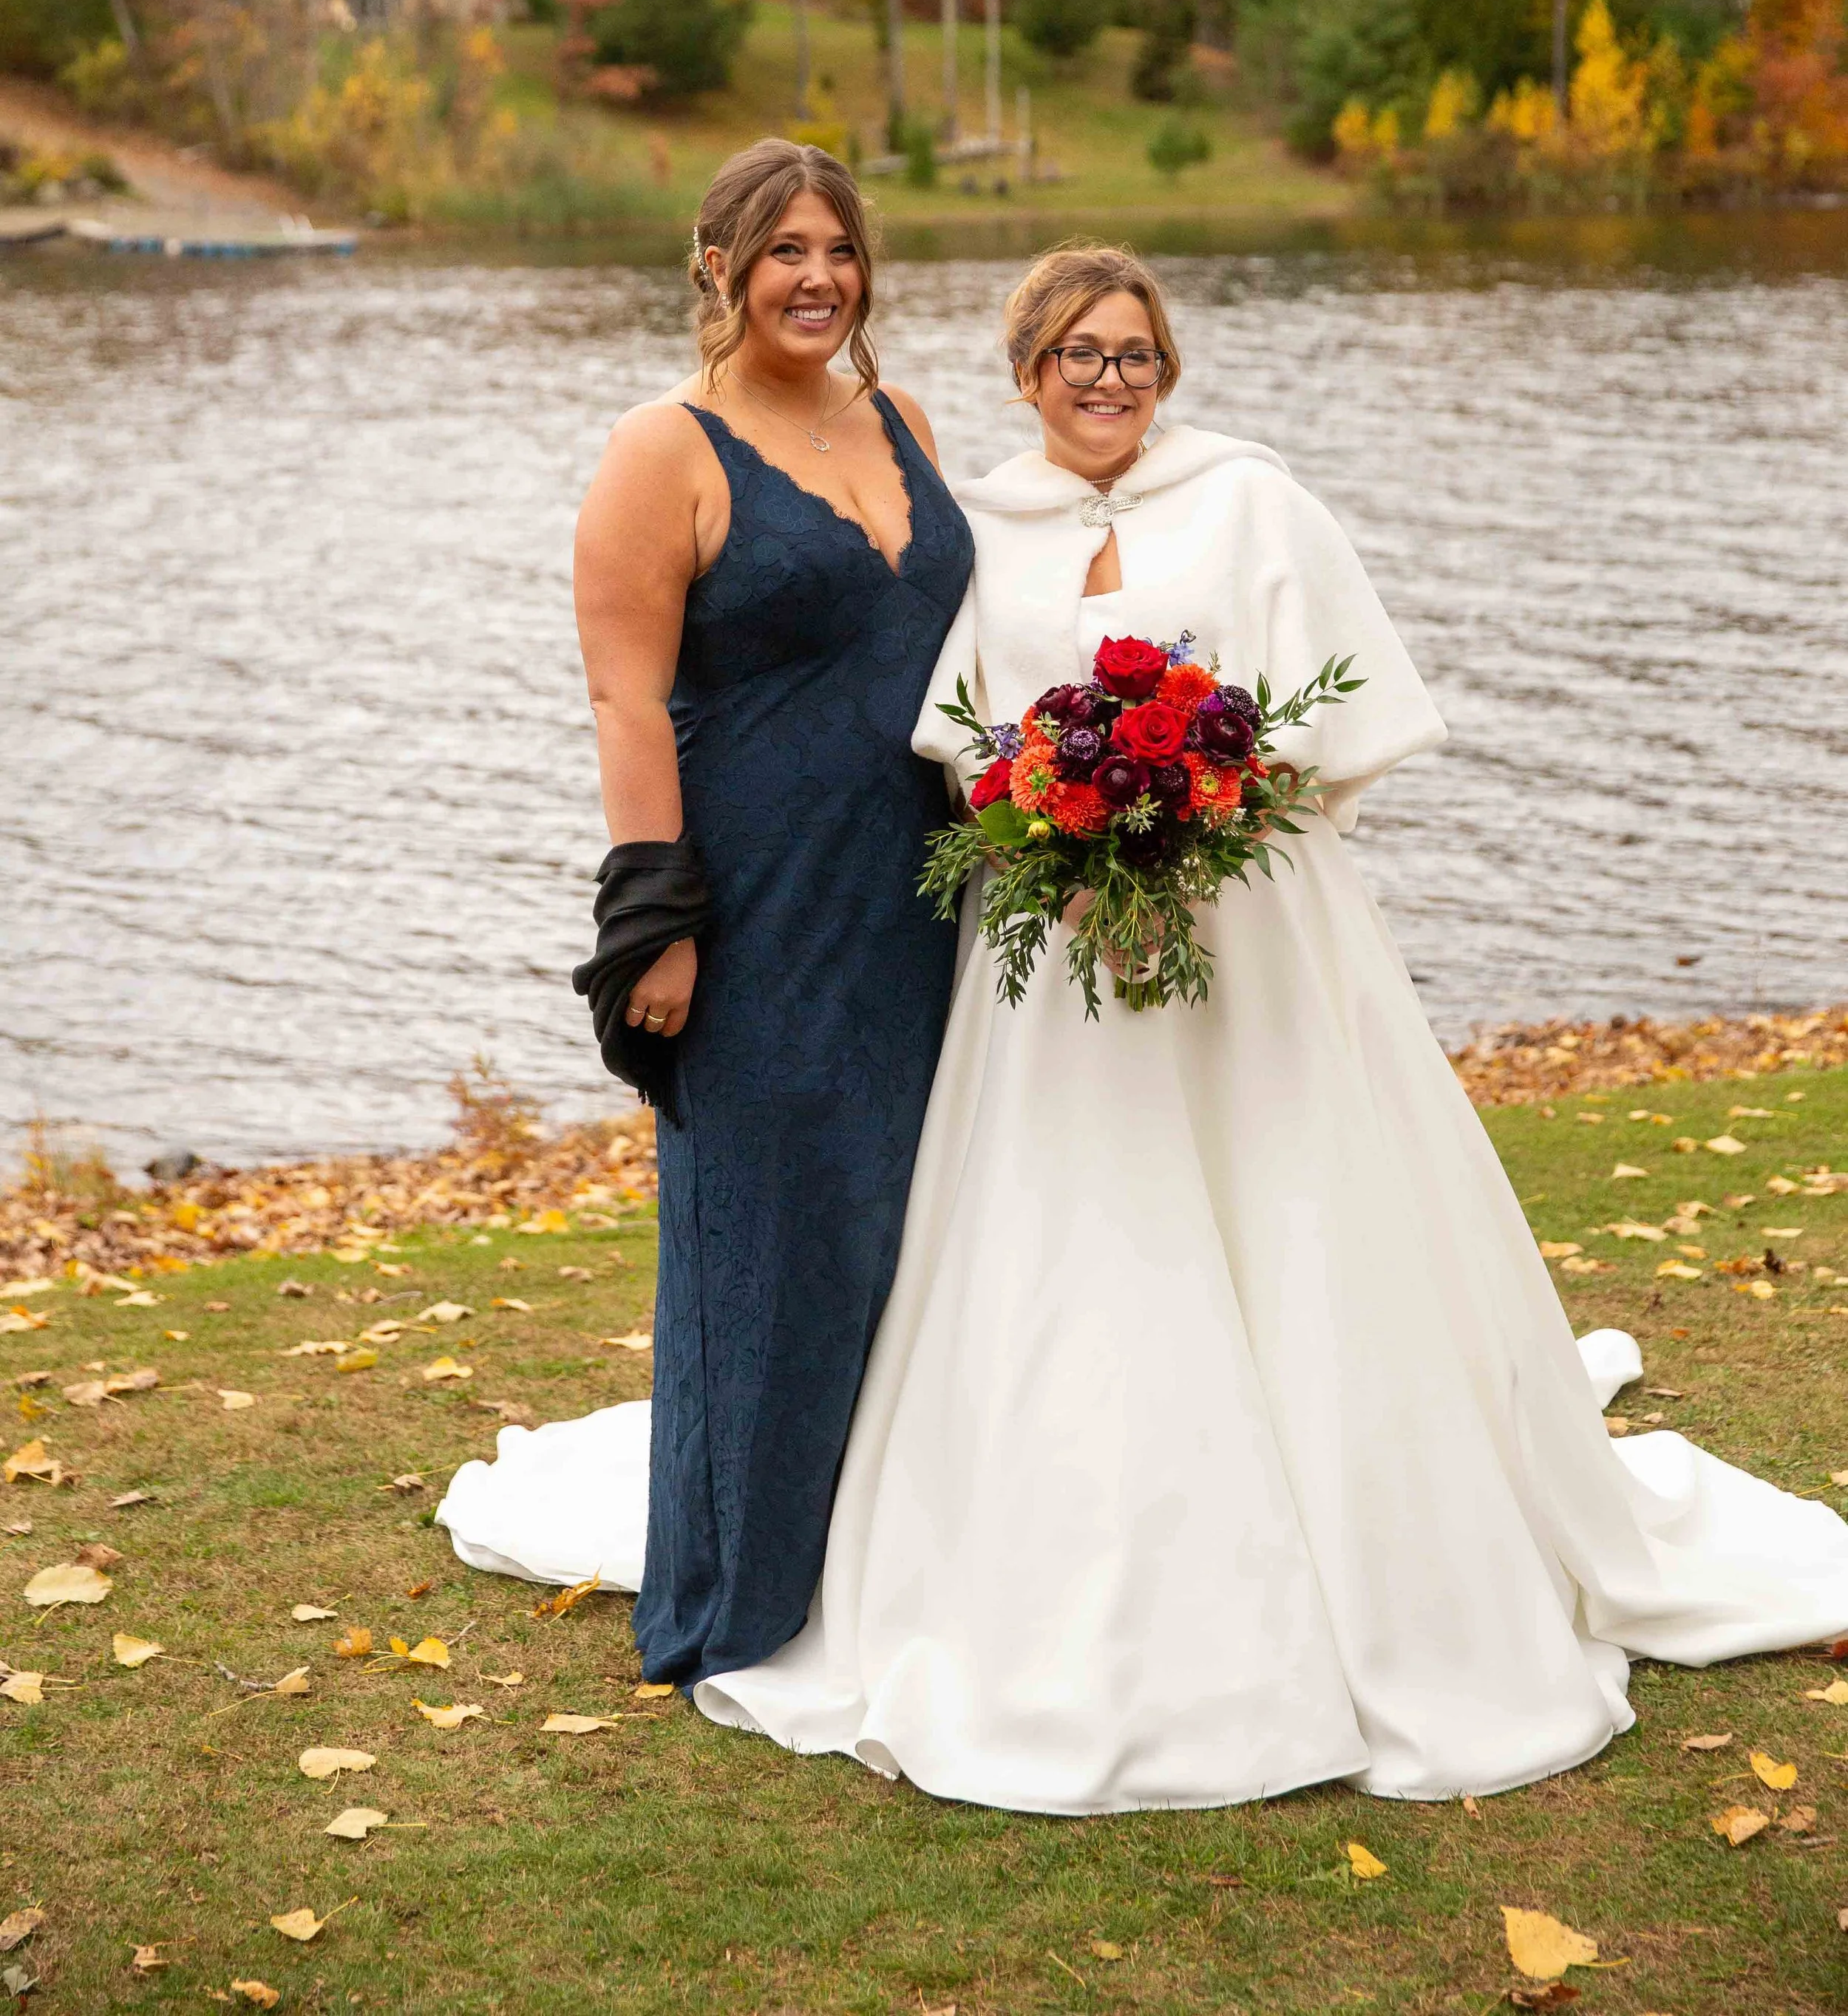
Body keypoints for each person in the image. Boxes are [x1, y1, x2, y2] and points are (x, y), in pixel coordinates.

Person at [685, 240, 1848, 1811]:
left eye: (1135, 354)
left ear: (1165, 371)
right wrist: (1054, 828)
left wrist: (1198, 817)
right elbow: (956, 734)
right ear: (1024, 369)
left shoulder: (1251, 501)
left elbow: (1335, 720)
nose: (1108, 381)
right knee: (1075, 1246)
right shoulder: (984, 532)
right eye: (1078, 354)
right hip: (1053, 966)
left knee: (1299, 1218)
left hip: (1254, 943)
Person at [438, 140, 973, 1688]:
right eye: (781, 250)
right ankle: (738, 1588)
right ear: (718, 268)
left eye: (838, 249)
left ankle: (891, 1558)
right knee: (772, 1234)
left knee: (914, 1224)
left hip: (928, 889)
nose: (815, 277)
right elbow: (623, 700)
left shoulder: (907, 423)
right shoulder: (659, 451)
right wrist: (655, 924)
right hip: (758, 902)